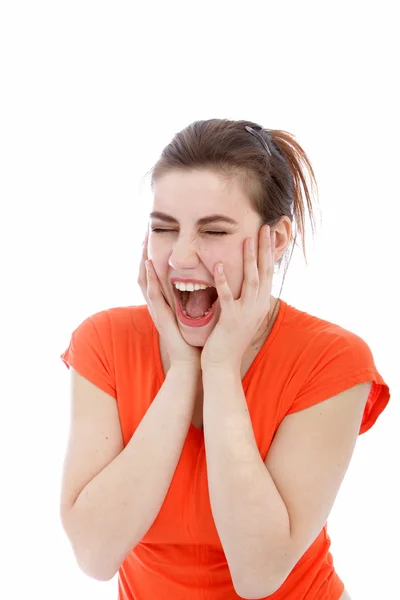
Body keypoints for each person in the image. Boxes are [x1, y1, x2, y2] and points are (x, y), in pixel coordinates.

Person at [59, 119, 390, 600]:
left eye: (213, 230)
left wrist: (219, 369)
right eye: (163, 228)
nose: (181, 257)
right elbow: (94, 554)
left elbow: (258, 575)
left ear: (275, 241)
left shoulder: (331, 359)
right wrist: (182, 370)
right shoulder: (103, 341)